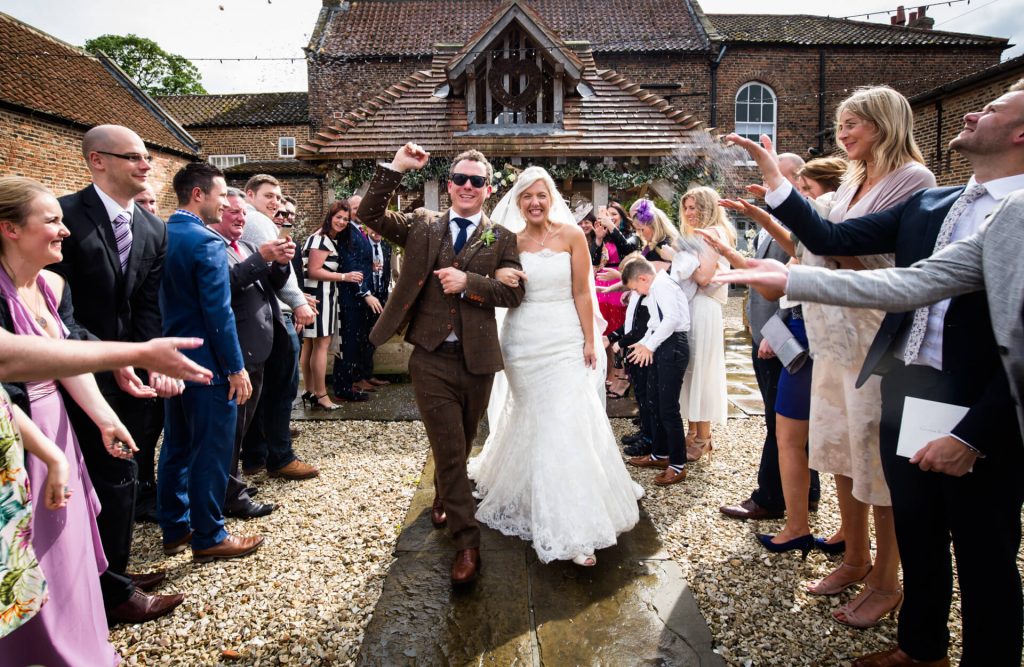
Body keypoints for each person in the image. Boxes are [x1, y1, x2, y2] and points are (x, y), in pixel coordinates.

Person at [716, 80, 1024, 667]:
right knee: (920, 528)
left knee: (986, 554)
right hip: (911, 387)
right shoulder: (941, 204)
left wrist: (974, 434)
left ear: (1020, 132)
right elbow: (873, 263)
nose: (971, 110)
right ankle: (921, 647)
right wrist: (785, 238)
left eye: (992, 107)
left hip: (980, 402)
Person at [358, 142, 525, 586]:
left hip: (477, 360)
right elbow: (370, 214)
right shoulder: (421, 224)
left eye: (476, 180)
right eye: (460, 179)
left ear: (488, 189)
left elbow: (513, 294)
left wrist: (469, 282)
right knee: (451, 449)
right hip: (429, 357)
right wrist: (395, 166)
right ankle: (467, 542)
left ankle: (443, 497)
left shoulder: (503, 237)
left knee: (462, 441)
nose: (467, 186)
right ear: (449, 185)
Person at [0, 174, 150, 665]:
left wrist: (105, 418)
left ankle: (85, 647)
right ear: (10, 229)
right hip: (17, 437)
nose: (65, 230)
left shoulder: (52, 284)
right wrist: (47, 454)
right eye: (52, 221)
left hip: (58, 426)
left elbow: (67, 360)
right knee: (29, 551)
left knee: (70, 547)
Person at [466, 166, 642, 567]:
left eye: (541, 195)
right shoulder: (505, 239)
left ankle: (574, 528)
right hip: (522, 341)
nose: (534, 202)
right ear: (517, 201)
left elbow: (582, 292)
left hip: (564, 339)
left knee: (565, 422)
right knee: (539, 422)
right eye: (526, 196)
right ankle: (541, 500)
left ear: (551, 198)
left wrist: (588, 339)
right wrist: (497, 273)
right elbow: (483, 280)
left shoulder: (572, 236)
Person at [49, 124, 184, 622]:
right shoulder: (63, 216)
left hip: (127, 375)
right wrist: (110, 356)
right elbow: (54, 308)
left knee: (122, 474)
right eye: (132, 156)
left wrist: (147, 360)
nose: (145, 164)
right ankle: (105, 591)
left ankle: (110, 572)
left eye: (146, 155)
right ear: (96, 161)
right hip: (65, 369)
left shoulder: (153, 228)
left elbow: (147, 307)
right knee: (89, 478)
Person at [0, 326, 211, 641]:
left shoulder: (49, 286)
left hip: (56, 416)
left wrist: (106, 416)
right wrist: (138, 353)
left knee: (66, 539)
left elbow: (69, 344)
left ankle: (81, 622)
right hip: (23, 427)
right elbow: (9, 358)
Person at [158, 162, 264, 564]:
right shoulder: (205, 241)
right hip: (208, 365)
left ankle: (175, 526)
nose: (225, 204)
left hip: (174, 359)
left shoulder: (167, 233)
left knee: (176, 445)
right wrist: (235, 369)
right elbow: (218, 313)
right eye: (221, 196)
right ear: (198, 194)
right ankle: (209, 534)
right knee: (212, 450)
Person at [718, 151, 825, 522]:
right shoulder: (776, 220)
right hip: (768, 329)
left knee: (776, 420)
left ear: (797, 181)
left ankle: (769, 498)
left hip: (781, 335)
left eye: (775, 175)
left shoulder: (803, 220)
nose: (767, 181)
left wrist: (773, 331)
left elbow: (793, 282)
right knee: (790, 419)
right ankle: (807, 492)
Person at [208, 189, 292, 519]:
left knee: (240, 428)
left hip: (259, 349)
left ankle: (233, 483)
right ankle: (230, 496)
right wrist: (262, 257)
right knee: (229, 430)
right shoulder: (214, 248)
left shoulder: (242, 246)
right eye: (233, 213)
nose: (241, 218)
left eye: (243, 214)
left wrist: (279, 263)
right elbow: (226, 284)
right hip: (236, 350)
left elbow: (268, 284)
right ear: (216, 213)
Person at [239, 175, 317, 480]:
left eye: (278, 196)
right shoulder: (258, 222)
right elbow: (278, 274)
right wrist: (298, 302)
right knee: (282, 389)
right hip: (276, 315)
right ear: (250, 195)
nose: (276, 203)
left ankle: (256, 454)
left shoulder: (253, 220)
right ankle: (281, 457)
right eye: (269, 196)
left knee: (262, 391)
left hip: (262, 315)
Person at [621, 250, 696, 486]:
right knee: (655, 400)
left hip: (673, 346)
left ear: (643, 278)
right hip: (663, 344)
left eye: (635, 288)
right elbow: (655, 323)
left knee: (668, 408)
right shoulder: (656, 287)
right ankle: (660, 454)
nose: (637, 293)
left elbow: (672, 319)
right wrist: (643, 343)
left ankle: (677, 464)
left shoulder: (661, 285)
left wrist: (650, 345)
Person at [677, 187, 732, 460]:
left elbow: (702, 276)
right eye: (687, 208)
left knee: (702, 370)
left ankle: (704, 436)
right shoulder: (695, 236)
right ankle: (692, 429)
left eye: (695, 208)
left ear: (708, 208)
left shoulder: (713, 235)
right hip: (692, 307)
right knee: (690, 368)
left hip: (704, 308)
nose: (690, 213)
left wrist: (676, 262)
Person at [300, 201, 362, 407]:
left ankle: (309, 391)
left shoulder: (320, 237)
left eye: (346, 219)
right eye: (338, 217)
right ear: (330, 216)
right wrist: (345, 276)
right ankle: (322, 395)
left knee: (309, 346)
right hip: (320, 297)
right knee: (321, 346)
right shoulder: (321, 239)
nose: (342, 222)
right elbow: (314, 271)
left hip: (316, 296)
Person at [334, 197, 379, 398]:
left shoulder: (358, 229)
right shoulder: (347, 232)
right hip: (350, 298)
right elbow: (350, 264)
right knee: (348, 343)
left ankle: (350, 382)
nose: (360, 210)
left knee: (357, 342)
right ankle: (343, 388)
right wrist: (365, 293)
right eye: (355, 208)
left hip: (358, 298)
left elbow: (361, 261)